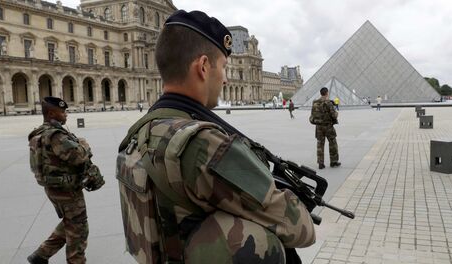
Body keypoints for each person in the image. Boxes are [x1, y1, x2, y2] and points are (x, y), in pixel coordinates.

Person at [116, 10, 315, 263]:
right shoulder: (202, 144)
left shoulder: (139, 133)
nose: (225, 79)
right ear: (203, 67)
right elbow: (301, 229)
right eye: (223, 67)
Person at [27, 97, 104, 264]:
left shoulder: (40, 132)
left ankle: (41, 255)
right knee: (79, 228)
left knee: (71, 221)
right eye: (63, 112)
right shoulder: (55, 135)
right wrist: (84, 144)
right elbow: (79, 156)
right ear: (52, 113)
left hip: (55, 187)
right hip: (66, 190)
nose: (66, 115)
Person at [310, 87, 341, 169]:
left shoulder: (315, 103)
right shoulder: (329, 103)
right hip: (328, 126)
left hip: (319, 127)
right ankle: (333, 162)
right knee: (333, 143)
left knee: (320, 144)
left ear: (321, 93)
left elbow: (312, 115)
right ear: (327, 93)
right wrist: (337, 113)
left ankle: (320, 163)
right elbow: (334, 115)